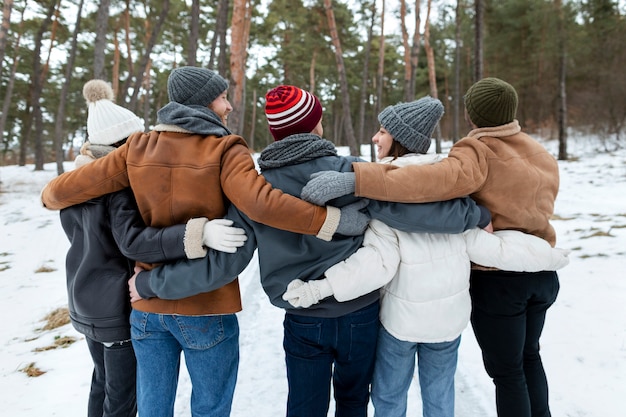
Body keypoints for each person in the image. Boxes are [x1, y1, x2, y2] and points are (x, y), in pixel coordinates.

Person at [129, 85, 491, 417]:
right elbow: (410, 211)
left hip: (303, 317)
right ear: (316, 125)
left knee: (305, 405)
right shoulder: (349, 172)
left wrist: (154, 283)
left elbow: (228, 263)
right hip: (359, 312)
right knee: (353, 401)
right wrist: (475, 214)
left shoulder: (254, 188)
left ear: (274, 131)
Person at [41, 67, 368, 417]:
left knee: (152, 411)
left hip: (147, 309)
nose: (228, 107)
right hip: (205, 307)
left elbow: (60, 191)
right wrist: (328, 220)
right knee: (210, 409)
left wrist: (49, 195)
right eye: (223, 97)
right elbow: (260, 203)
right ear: (205, 102)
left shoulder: (136, 147)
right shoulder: (226, 148)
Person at [281, 96, 569, 417]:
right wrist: (547, 257)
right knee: (440, 399)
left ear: (400, 140)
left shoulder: (382, 196)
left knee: (390, 399)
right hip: (447, 324)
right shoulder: (456, 195)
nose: (375, 138)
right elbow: (491, 248)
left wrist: (319, 288)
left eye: (382, 131)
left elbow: (376, 265)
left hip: (400, 325)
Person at [61, 79, 245, 417]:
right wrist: (198, 233)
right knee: (126, 399)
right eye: (136, 138)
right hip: (127, 304)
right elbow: (131, 242)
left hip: (90, 301)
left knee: (112, 389)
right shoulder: (118, 188)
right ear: (122, 143)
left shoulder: (76, 186)